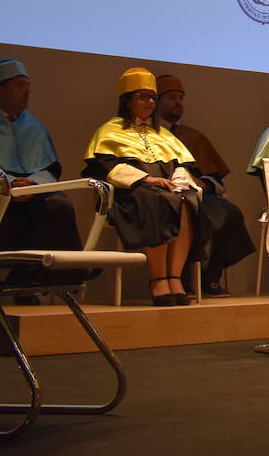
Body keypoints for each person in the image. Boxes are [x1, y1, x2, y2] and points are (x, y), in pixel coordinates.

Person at [82, 67, 204, 306]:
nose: (149, 102)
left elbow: (183, 164)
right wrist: (147, 179)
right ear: (127, 100)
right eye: (142, 96)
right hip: (129, 193)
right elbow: (102, 166)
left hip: (166, 189)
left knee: (188, 198)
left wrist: (179, 180)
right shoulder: (110, 130)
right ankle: (158, 279)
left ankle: (174, 276)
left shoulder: (163, 134)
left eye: (152, 97)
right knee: (158, 199)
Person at [0, 59, 82, 304]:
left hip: (33, 191)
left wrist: (32, 184)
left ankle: (27, 279)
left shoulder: (35, 127)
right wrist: (9, 183)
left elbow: (51, 167)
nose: (28, 90)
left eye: (28, 85)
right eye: (20, 84)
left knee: (59, 206)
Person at [156, 74, 255, 298]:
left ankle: (211, 277)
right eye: (171, 97)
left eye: (181, 98)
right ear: (157, 100)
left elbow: (215, 178)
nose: (178, 102)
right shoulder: (150, 136)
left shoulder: (193, 136)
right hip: (166, 195)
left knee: (229, 213)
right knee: (186, 214)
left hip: (199, 194)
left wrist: (205, 184)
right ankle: (181, 277)